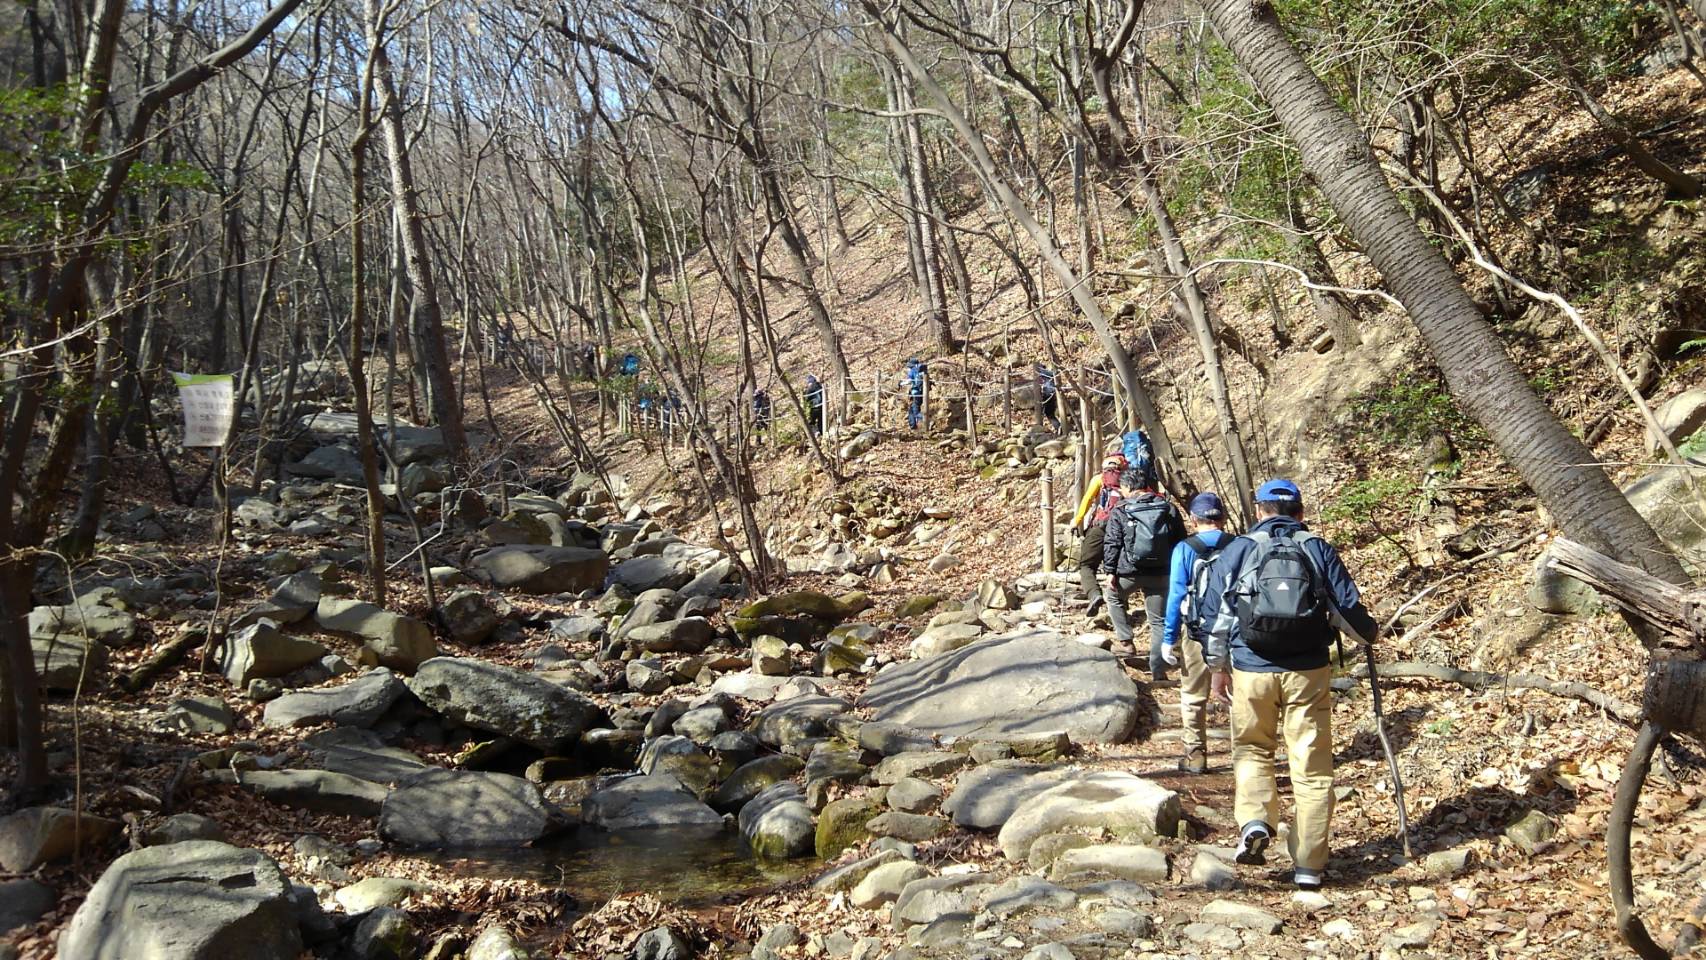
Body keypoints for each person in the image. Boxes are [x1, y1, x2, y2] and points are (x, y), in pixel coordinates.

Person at [1198, 478, 1377, 891]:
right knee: (1312, 771)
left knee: (1253, 749)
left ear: (1258, 510)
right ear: (1299, 512)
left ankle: (1256, 821)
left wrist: (1218, 667)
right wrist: (1369, 635)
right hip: (1308, 672)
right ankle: (1309, 866)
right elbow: (1347, 609)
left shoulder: (1239, 549)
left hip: (1251, 668)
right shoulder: (1317, 548)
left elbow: (1216, 615)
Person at [1159, 491, 1232, 774]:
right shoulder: (1239, 545)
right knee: (1237, 695)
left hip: (1197, 630)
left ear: (1193, 519)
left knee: (1193, 694)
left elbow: (1176, 595)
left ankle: (1195, 754)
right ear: (1223, 518)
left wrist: (1169, 638)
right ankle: (1245, 755)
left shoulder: (1185, 549)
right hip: (1236, 633)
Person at [1098, 462, 1185, 678]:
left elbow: (1112, 542)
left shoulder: (1121, 510)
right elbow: (1180, 540)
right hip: (1161, 573)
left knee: (1113, 596)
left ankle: (1126, 641)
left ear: (1127, 487)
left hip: (1129, 571)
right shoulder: (1167, 508)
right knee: (1158, 621)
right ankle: (1159, 672)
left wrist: (1110, 571)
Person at [1070, 452, 1128, 616]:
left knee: (1087, 565)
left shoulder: (1099, 479)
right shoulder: (1128, 480)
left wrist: (1077, 520)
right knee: (1118, 567)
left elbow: (1087, 500)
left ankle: (1094, 594)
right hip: (1122, 528)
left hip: (1100, 526)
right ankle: (1121, 604)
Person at [902, 359, 926, 430]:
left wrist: (901, 383)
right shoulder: (921, 370)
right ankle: (914, 426)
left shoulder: (912, 371)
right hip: (922, 392)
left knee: (915, 410)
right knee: (913, 408)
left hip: (915, 393)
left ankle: (924, 420)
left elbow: (909, 381)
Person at [1037, 363, 1060, 432]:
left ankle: (1058, 427)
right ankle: (1058, 427)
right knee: (1049, 413)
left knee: (1049, 413)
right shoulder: (1045, 375)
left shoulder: (1043, 373)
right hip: (1050, 393)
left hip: (1048, 394)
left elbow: (1050, 373)